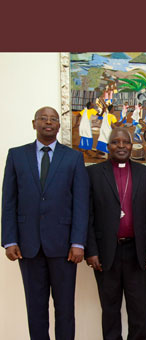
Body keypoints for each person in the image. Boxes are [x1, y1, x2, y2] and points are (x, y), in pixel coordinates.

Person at [1, 106, 89, 340]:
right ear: (34, 123)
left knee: (65, 310)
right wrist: (9, 239)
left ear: (59, 126)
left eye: (53, 119)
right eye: (43, 119)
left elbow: (81, 202)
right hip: (28, 246)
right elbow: (8, 201)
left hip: (64, 248)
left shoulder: (73, 157)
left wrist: (78, 242)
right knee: (36, 309)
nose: (48, 123)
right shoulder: (16, 155)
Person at [86, 127, 146, 340]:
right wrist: (91, 250)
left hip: (137, 252)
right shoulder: (93, 173)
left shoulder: (145, 174)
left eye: (125, 142)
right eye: (115, 142)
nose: (121, 146)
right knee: (109, 310)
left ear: (132, 146)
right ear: (108, 146)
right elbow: (87, 215)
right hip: (105, 253)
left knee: (138, 311)